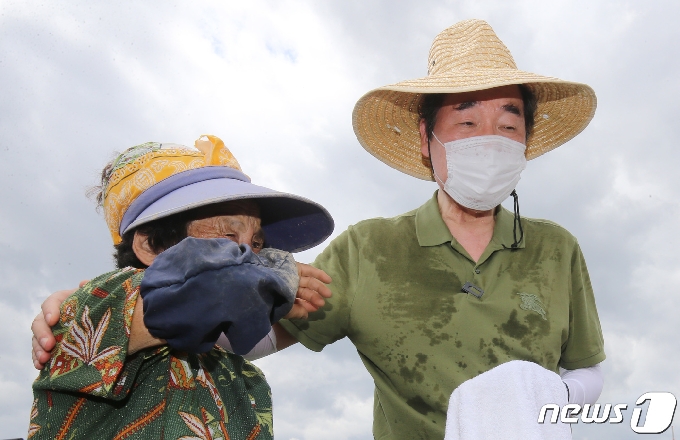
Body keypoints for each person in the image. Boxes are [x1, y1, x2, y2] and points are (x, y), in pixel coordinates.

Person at [33, 20, 606, 439]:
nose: (492, 135)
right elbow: (236, 323)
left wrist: (548, 393)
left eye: (510, 122)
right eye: (467, 120)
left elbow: (588, 369)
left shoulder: (559, 250)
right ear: (428, 144)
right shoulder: (369, 250)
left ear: (527, 141)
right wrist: (95, 306)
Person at [28, 135, 334, 439]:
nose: (251, 255)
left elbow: (259, 326)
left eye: (257, 244)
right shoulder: (97, 305)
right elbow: (211, 291)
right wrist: (274, 272)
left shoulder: (221, 355)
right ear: (151, 245)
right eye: (228, 237)